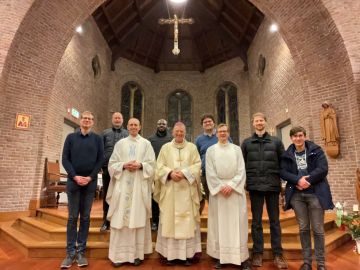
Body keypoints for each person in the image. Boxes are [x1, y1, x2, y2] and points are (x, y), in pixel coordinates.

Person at [280, 126, 334, 270]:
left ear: (304, 136)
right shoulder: (287, 154)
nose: (298, 138)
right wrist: (298, 180)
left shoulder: (316, 150)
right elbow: (283, 172)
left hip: (315, 193)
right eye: (295, 136)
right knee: (303, 228)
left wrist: (307, 180)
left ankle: (321, 263)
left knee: (318, 229)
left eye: (300, 135)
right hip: (297, 196)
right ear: (291, 138)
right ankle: (307, 262)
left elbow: (323, 168)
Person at [106, 118, 156, 267]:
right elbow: (111, 164)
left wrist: (141, 165)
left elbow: (153, 165)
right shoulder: (120, 144)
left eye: (136, 125)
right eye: (131, 125)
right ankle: (118, 256)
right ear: (127, 127)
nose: (133, 127)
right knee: (120, 219)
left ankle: (136, 255)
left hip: (139, 187)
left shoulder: (146, 144)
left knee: (137, 218)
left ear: (140, 127)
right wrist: (123, 165)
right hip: (123, 186)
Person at [241, 112, 288, 269]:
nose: (259, 123)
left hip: (272, 185)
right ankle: (257, 253)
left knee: (275, 222)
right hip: (255, 186)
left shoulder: (276, 142)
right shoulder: (246, 143)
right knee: (256, 222)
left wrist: (282, 184)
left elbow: (283, 163)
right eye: (256, 121)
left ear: (265, 122)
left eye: (261, 120)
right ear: (253, 123)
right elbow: (242, 165)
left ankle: (278, 254)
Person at [60, 111, 104, 269]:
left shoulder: (97, 139)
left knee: (85, 217)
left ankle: (81, 251)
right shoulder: (71, 138)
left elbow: (101, 159)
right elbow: (65, 158)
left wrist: (91, 177)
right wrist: (74, 176)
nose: (87, 121)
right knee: (72, 217)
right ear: (80, 121)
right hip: (73, 183)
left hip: (89, 184)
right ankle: (70, 252)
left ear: (92, 122)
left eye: (90, 119)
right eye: (85, 118)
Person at [154, 122, 201, 266]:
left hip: (187, 190)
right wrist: (169, 173)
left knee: (186, 223)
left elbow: (198, 165)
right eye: (177, 131)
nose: (179, 134)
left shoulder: (192, 147)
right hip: (170, 191)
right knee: (169, 220)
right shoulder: (165, 148)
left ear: (185, 132)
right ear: (172, 132)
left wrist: (185, 173)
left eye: (182, 131)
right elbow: (159, 166)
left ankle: (185, 255)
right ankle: (170, 255)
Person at [206, 124, 251, 270]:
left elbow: (241, 170)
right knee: (219, 224)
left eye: (225, 131)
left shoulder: (236, 149)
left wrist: (231, 185)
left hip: (235, 192)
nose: (223, 134)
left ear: (228, 133)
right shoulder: (211, 151)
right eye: (220, 132)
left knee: (238, 224)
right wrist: (220, 186)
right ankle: (221, 257)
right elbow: (210, 172)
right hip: (219, 193)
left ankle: (242, 258)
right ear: (216, 134)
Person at [100, 112, 128, 232]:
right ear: (112, 120)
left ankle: (120, 218)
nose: (117, 120)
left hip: (123, 170)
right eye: (115, 118)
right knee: (107, 194)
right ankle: (106, 220)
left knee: (121, 194)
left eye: (119, 118)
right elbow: (100, 150)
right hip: (107, 169)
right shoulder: (105, 133)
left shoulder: (127, 134)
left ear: (122, 120)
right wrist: (101, 165)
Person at [195, 114, 231, 205]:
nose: (207, 123)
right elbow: (197, 156)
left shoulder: (222, 135)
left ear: (214, 123)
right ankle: (213, 219)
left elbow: (231, 151)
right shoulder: (199, 140)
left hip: (222, 173)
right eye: (205, 122)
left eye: (209, 121)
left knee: (223, 200)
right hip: (206, 173)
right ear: (202, 125)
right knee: (210, 200)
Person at [148, 118, 172, 231]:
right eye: (159, 123)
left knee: (167, 197)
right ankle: (155, 222)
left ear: (166, 126)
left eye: (163, 123)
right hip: (155, 172)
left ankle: (165, 220)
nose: (161, 125)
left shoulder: (171, 139)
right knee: (154, 197)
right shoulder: (151, 139)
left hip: (167, 172)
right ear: (157, 125)